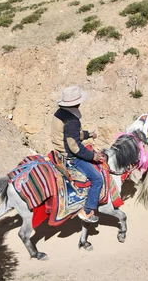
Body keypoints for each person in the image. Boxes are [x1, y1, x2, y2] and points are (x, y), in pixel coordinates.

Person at [50, 86, 105, 224]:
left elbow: (71, 134)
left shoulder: (60, 113)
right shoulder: (72, 120)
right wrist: (92, 156)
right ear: (76, 103)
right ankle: (87, 211)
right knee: (97, 179)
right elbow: (74, 146)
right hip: (70, 157)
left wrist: (87, 134)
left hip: (58, 151)